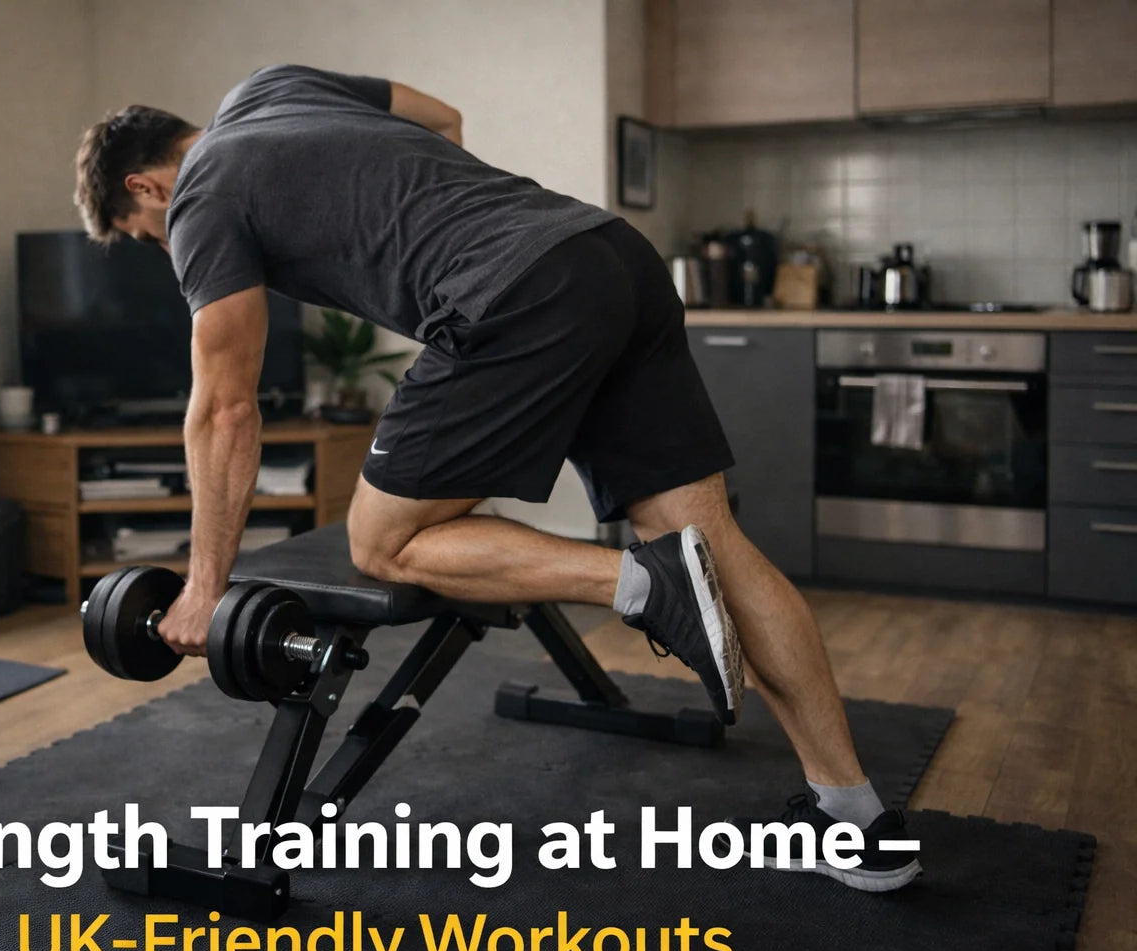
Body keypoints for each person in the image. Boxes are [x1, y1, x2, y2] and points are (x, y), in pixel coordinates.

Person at [72, 64, 919, 891]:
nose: (165, 245)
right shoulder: (271, 88)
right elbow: (442, 118)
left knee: (382, 542)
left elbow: (225, 409)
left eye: (150, 238)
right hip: (610, 255)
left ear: (147, 186)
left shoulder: (199, 199)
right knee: (711, 544)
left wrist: (204, 586)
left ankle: (639, 582)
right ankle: (856, 819)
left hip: (515, 291)